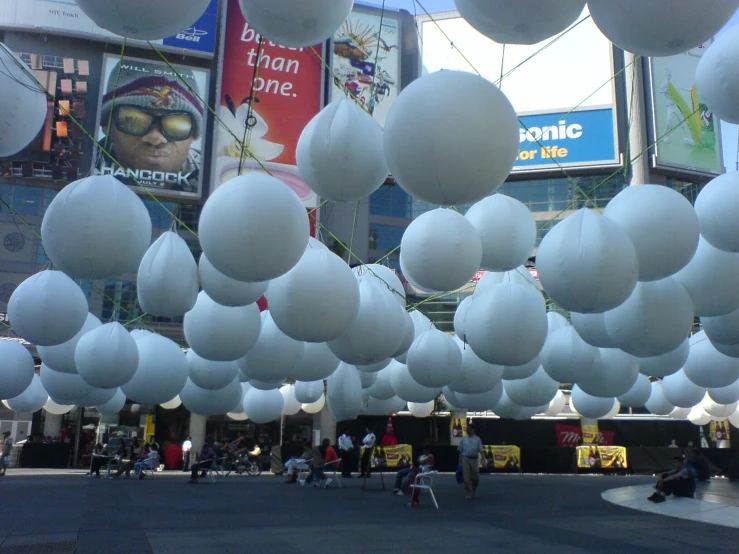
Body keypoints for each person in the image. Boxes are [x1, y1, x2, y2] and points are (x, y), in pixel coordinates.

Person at [95, 59, 203, 194]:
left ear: (193, 135)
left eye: (177, 124)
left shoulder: (215, 176)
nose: (156, 139)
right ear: (107, 126)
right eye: (133, 120)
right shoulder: (84, 166)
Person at [458, 423, 483, 500]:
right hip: (465, 458)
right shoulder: (463, 439)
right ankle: (468, 492)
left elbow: (481, 450)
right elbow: (460, 451)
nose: (469, 430)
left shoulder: (477, 439)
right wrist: (459, 461)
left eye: (470, 429)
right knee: (466, 478)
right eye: (468, 429)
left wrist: (484, 459)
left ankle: (474, 489)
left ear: (473, 430)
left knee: (475, 477)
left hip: (474, 459)